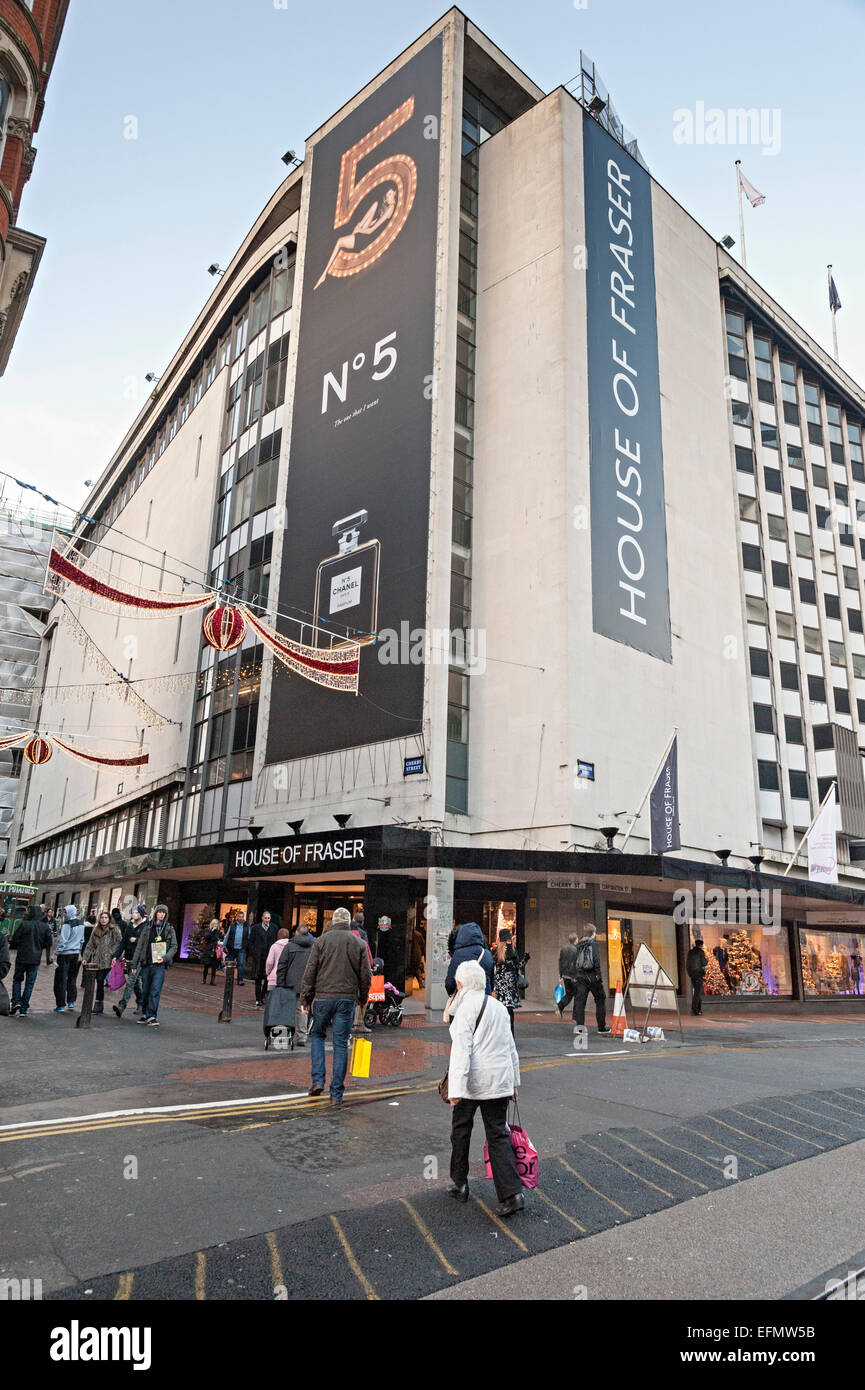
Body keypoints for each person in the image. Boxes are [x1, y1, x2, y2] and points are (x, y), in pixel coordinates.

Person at [447, 959, 524, 1217]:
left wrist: (455, 1090)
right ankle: (512, 1194)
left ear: (461, 983)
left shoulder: (465, 1009)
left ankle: (460, 1183)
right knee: (498, 1135)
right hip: (499, 1081)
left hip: (472, 1082)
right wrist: (514, 1083)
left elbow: (461, 1051)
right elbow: (510, 1047)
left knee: (461, 1131)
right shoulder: (500, 1008)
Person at [300, 905, 371, 1104]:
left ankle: (318, 1080)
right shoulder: (359, 943)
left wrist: (306, 998)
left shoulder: (321, 941)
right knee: (341, 1043)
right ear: (348, 923)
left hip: (323, 997)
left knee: (317, 1035)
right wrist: (363, 998)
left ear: (333, 921)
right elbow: (365, 974)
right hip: (346, 999)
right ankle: (337, 1093)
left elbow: (310, 971)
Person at [136, 904, 177, 1026]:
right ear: (155, 913)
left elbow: (174, 946)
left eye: (164, 913)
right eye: (160, 912)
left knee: (155, 989)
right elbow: (140, 946)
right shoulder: (148, 927)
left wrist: (165, 958)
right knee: (146, 990)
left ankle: (152, 1015)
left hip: (159, 965)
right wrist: (134, 964)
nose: (162, 914)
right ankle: (145, 1013)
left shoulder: (169, 928)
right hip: (147, 963)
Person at [9, 907, 54, 1017]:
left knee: (17, 980)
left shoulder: (25, 924)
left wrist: (20, 945)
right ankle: (24, 1008)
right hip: (35, 958)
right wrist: (40, 946)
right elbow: (49, 943)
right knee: (30, 983)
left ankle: (16, 1001)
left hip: (22, 956)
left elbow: (15, 938)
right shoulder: (44, 927)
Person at [277, 924, 314, 1046]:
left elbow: (282, 966)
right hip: (306, 984)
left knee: (287, 1010)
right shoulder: (313, 947)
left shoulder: (289, 946)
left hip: (290, 983)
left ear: (297, 933)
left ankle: (284, 1035)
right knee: (303, 1010)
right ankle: (301, 1036)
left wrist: (280, 983)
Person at [571, 925, 611, 1035]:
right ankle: (601, 1027)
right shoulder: (593, 943)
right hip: (592, 976)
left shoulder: (579, 944)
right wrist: (599, 976)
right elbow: (596, 960)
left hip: (580, 977)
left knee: (580, 1002)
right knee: (600, 999)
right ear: (593, 933)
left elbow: (574, 961)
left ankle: (579, 1029)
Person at [81, 910, 122, 1014]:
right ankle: (99, 1004)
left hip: (109, 960)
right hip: (97, 960)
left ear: (109, 919)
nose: (104, 920)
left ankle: (98, 1004)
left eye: (106, 918)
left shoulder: (114, 929)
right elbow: (90, 945)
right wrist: (85, 957)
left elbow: (119, 942)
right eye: (102, 917)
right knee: (98, 981)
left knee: (100, 979)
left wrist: (113, 953)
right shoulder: (96, 930)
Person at [112, 905, 148, 1016]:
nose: (134, 914)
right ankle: (141, 1003)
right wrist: (116, 955)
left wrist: (136, 940)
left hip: (138, 959)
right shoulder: (130, 926)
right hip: (128, 957)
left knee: (131, 982)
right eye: (133, 912)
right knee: (136, 983)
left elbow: (146, 941)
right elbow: (123, 941)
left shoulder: (146, 926)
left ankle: (122, 1005)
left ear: (141, 914)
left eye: (136, 912)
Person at [444, 922, 494, 999]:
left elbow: (449, 984)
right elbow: (491, 982)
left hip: (464, 1000)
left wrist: (452, 994)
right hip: (484, 1000)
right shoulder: (487, 954)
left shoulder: (458, 955)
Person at [53, 904, 85, 1013]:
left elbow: (63, 941)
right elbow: (82, 940)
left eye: (65, 912)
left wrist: (55, 954)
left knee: (60, 980)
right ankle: (71, 1001)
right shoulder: (81, 924)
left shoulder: (67, 924)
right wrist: (78, 950)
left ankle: (60, 1004)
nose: (64, 914)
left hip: (65, 954)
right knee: (72, 978)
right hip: (75, 954)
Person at [491, 927, 521, 1034]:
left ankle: (500, 1034)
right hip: (510, 984)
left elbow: (492, 966)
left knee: (500, 1010)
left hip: (499, 984)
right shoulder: (512, 950)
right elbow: (517, 965)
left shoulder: (495, 951)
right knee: (509, 1011)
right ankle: (510, 1035)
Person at [556, 931, 581, 1020]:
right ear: (575, 940)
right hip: (573, 976)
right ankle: (575, 1016)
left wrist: (561, 976)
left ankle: (560, 1006)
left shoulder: (563, 949)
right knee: (577, 995)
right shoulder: (577, 950)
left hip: (565, 976)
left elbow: (560, 962)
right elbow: (577, 964)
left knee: (569, 994)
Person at [248, 914, 270, 1007]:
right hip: (258, 957)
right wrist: (254, 952)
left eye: (268, 918)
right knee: (258, 977)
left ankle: (263, 995)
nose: (267, 920)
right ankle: (258, 998)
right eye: (265, 918)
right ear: (262, 918)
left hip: (268, 957)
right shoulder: (256, 928)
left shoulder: (273, 928)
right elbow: (250, 941)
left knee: (267, 978)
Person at [223, 914, 249, 984]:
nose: (241, 918)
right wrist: (223, 946)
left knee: (240, 965)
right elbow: (227, 936)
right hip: (232, 948)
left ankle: (240, 980)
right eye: (239, 917)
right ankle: (229, 979)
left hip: (241, 948)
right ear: (237, 917)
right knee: (230, 964)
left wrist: (248, 947)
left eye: (242, 917)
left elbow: (249, 937)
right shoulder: (232, 925)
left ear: (244, 917)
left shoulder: (246, 926)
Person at [686, 934, 708, 1016]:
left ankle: (698, 1009)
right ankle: (695, 1009)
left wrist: (690, 973)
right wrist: (706, 960)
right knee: (697, 992)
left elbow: (688, 964)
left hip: (692, 974)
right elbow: (704, 963)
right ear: (701, 945)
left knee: (696, 991)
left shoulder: (690, 952)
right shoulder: (700, 952)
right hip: (698, 973)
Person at [201, 919, 222, 985]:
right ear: (212, 924)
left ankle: (212, 981)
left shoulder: (218, 932)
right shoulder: (208, 930)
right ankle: (204, 979)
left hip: (215, 950)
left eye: (216, 924)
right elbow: (206, 938)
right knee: (206, 965)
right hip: (208, 949)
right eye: (214, 923)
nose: (215, 925)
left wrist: (220, 941)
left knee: (214, 966)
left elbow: (219, 939)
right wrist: (212, 931)